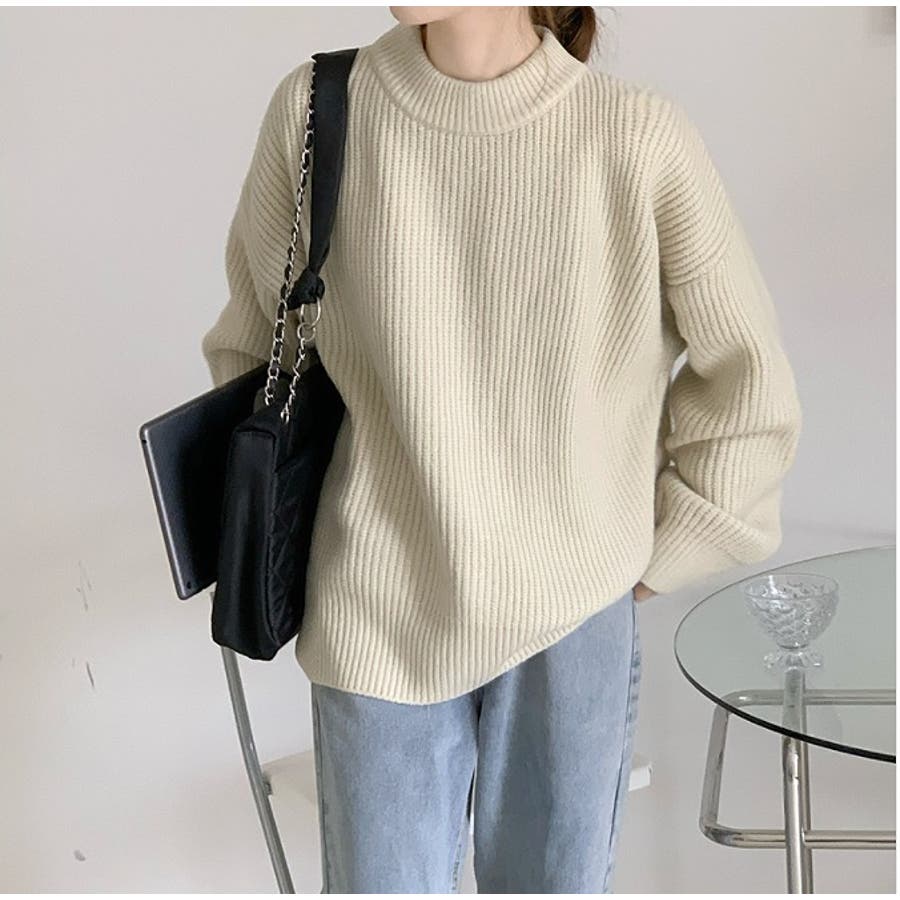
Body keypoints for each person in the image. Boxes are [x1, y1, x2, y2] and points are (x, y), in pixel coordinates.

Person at [201, 5, 803, 893]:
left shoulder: (634, 137)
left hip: (572, 615)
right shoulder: (319, 109)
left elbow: (748, 382)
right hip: (379, 610)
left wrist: (658, 556)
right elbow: (256, 356)